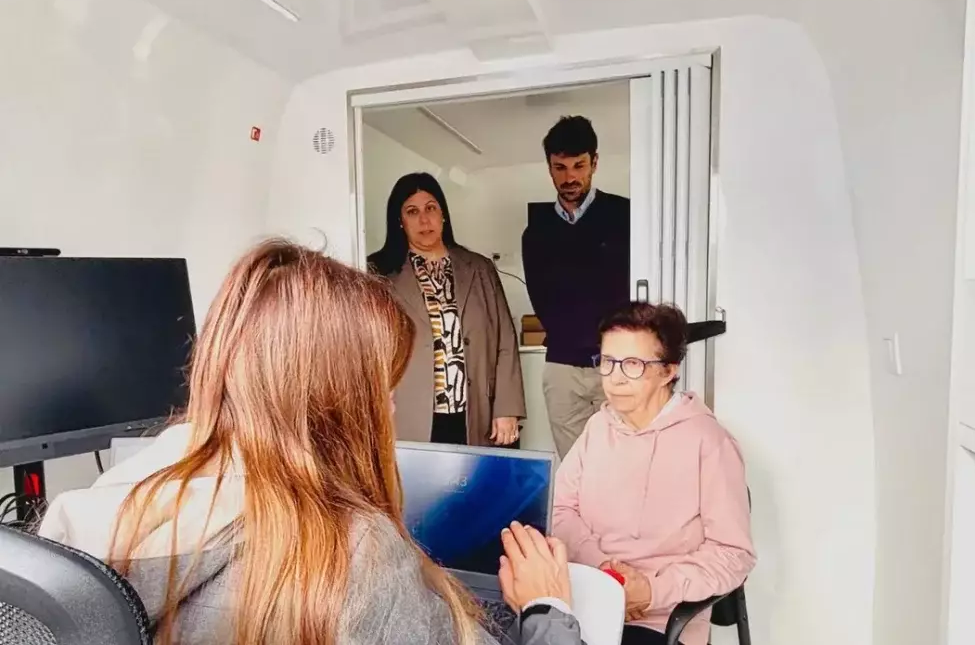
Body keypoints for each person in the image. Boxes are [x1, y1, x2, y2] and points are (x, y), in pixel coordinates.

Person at [37, 239, 580, 645]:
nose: (392, 410)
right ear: (336, 399)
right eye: (384, 391)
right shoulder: (357, 555)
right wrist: (546, 608)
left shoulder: (103, 507)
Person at [552, 302, 756, 645]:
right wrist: (607, 574)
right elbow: (560, 509)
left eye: (633, 364)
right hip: (587, 601)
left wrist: (651, 591)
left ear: (668, 371)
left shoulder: (709, 441)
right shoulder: (598, 427)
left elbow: (733, 552)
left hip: (661, 621)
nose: (616, 377)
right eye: (608, 361)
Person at [368, 172, 525, 448]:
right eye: (412, 211)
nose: (424, 220)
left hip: (475, 410)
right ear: (400, 221)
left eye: (431, 208)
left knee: (477, 476)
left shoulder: (479, 268)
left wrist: (506, 408)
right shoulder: (379, 273)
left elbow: (505, 341)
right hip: (410, 412)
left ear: (443, 214)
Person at [521, 116, 630, 459]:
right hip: (562, 367)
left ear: (594, 163)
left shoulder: (626, 216)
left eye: (579, 166)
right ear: (549, 168)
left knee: (625, 460)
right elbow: (540, 299)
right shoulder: (536, 233)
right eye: (560, 167)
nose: (569, 177)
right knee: (575, 465)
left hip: (617, 363)